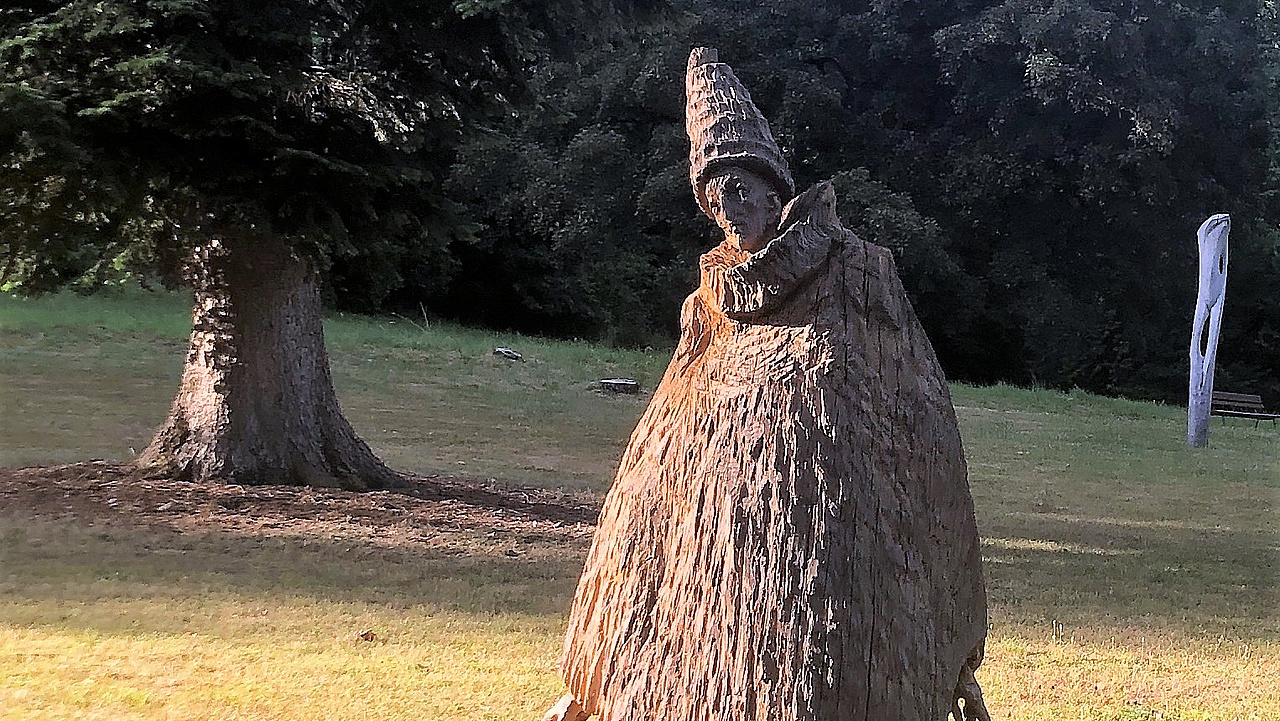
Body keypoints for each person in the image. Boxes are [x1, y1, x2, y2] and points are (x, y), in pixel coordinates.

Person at [543, 48, 991, 721]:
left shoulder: (858, 274)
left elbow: (922, 431)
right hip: (717, 593)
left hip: (841, 583)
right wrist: (593, 670)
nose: (730, 206)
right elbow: (649, 478)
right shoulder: (708, 308)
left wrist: (953, 644)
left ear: (775, 188)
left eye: (741, 187)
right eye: (715, 194)